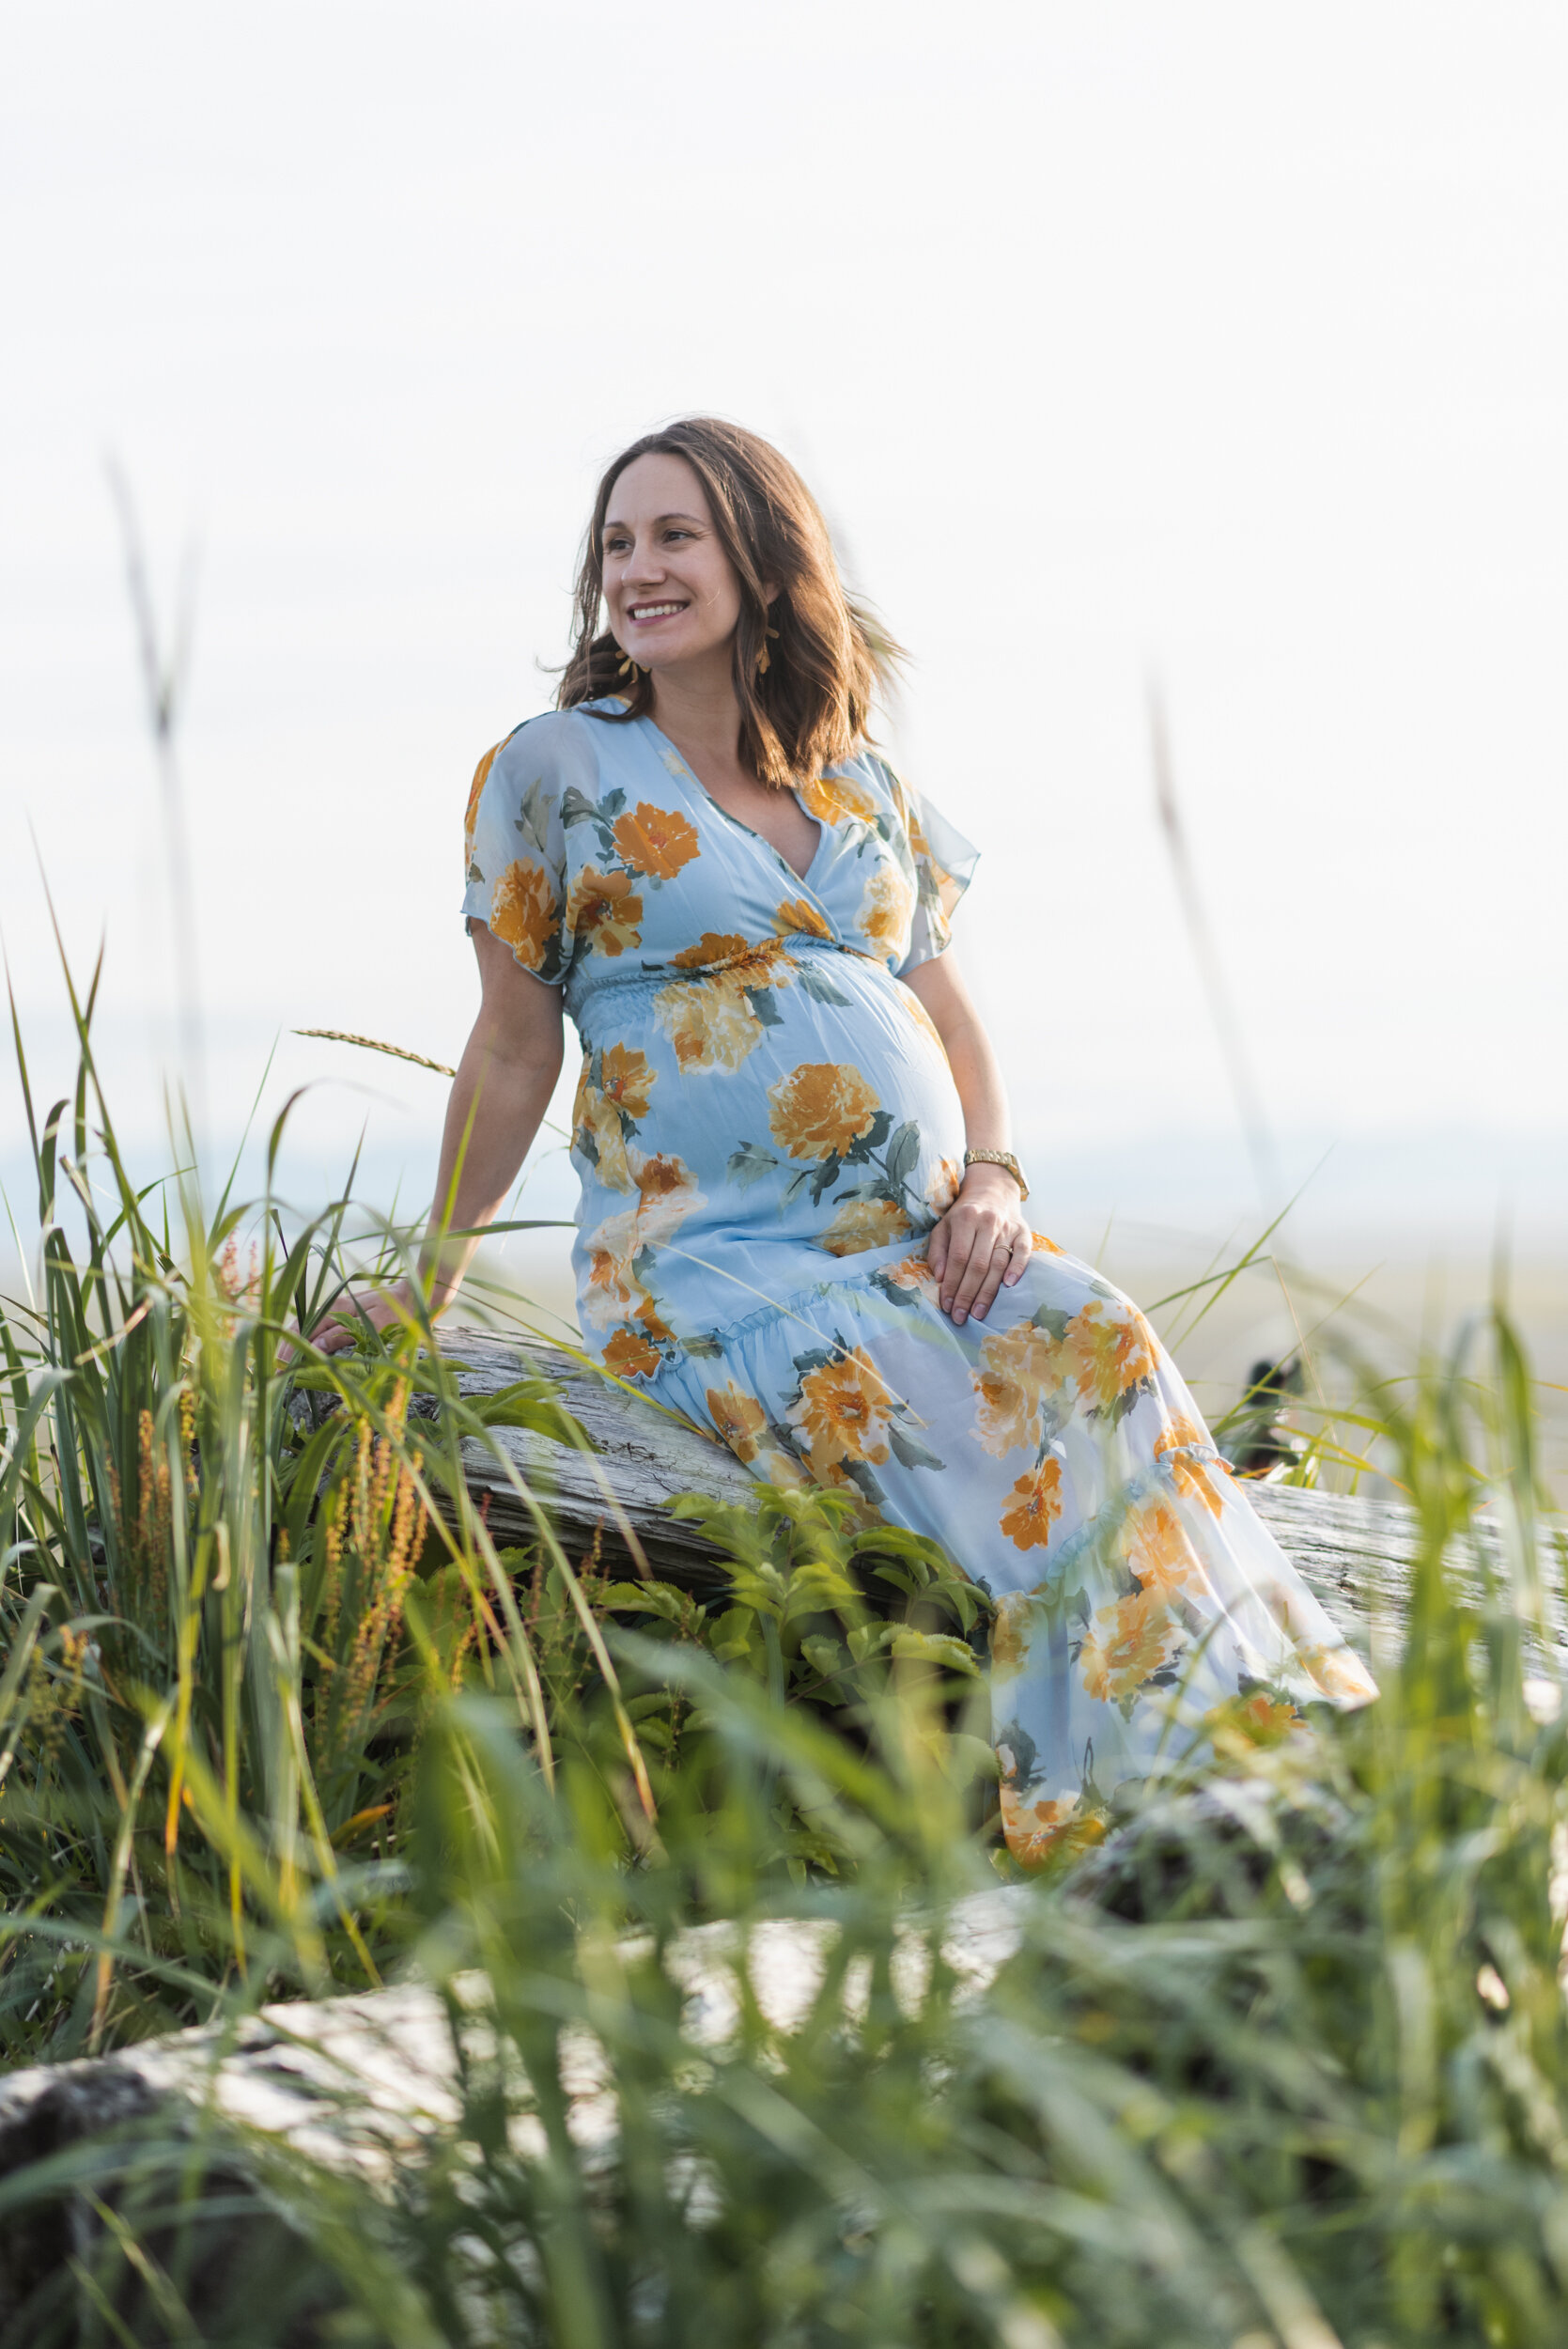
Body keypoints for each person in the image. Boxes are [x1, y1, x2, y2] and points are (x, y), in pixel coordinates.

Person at [314, 416, 1375, 1862]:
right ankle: (1108, 1809)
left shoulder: (856, 780)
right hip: (717, 1270)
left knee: (1105, 1339)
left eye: (672, 535)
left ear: (761, 554)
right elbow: (511, 1045)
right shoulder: (554, 768)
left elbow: (951, 1015)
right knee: (1007, 1471)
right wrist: (427, 1278)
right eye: (615, 544)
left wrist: (992, 1176)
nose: (636, 568)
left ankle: (1268, 1740)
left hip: (912, 1242)